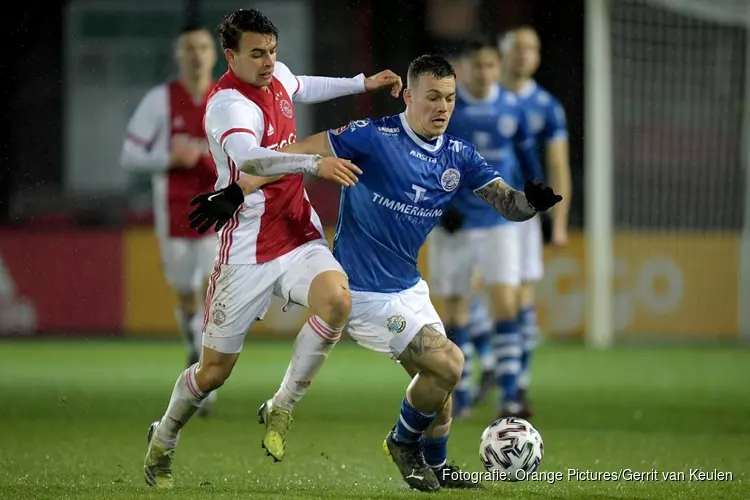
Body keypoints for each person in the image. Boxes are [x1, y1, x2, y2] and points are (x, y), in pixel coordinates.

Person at [192, 54, 561, 492]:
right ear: (408, 97)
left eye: (449, 98)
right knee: (450, 362)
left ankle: (438, 469)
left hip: (408, 287)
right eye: (432, 98)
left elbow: (508, 204)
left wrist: (532, 202)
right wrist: (237, 189)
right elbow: (291, 154)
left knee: (437, 391)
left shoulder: (458, 155)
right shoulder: (372, 136)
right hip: (362, 292)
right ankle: (402, 442)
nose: (442, 107)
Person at [142, 8, 401, 489]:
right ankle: (165, 436)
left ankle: (281, 405)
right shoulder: (227, 106)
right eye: (256, 53)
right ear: (230, 56)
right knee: (214, 372)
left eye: (272, 51)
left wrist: (361, 83)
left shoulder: (276, 75)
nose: (267, 62)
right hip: (245, 250)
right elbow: (250, 158)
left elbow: (302, 84)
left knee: (337, 300)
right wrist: (315, 162)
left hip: (297, 231)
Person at [426, 40, 543, 418]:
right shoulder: (449, 112)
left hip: (498, 223)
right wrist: (440, 210)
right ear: (466, 70)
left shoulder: (512, 109)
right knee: (456, 312)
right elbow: (428, 165)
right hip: (454, 225)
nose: (485, 72)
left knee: (506, 303)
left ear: (498, 67)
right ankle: (459, 397)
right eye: (478, 66)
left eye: (491, 65)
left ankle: (510, 396)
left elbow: (527, 163)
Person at [120, 25, 221, 416]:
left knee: (213, 295)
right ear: (178, 55)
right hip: (176, 214)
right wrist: (168, 157)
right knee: (185, 292)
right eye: (189, 48)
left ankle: (205, 378)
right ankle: (193, 349)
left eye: (202, 47)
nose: (196, 55)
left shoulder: (225, 99)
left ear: (214, 55)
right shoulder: (161, 100)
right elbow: (129, 155)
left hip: (220, 213)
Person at [499, 26, 572, 415]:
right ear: (503, 52)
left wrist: (557, 222)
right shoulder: (479, 96)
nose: (526, 54)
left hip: (522, 213)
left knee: (520, 297)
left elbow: (558, 166)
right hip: (478, 211)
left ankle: (516, 384)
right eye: (518, 46)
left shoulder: (546, 106)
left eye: (533, 47)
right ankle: (495, 366)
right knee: (476, 299)